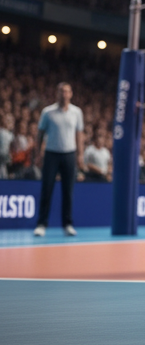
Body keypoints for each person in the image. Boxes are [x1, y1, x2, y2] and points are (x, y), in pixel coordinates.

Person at [33, 82, 84, 237]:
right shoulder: (47, 112)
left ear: (71, 94)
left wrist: (80, 154)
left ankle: (67, 224)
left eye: (67, 91)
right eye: (61, 91)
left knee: (68, 191)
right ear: (57, 93)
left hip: (69, 154)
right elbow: (40, 134)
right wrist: (37, 154)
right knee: (46, 189)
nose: (64, 94)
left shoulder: (77, 112)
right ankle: (41, 224)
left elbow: (79, 134)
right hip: (51, 154)